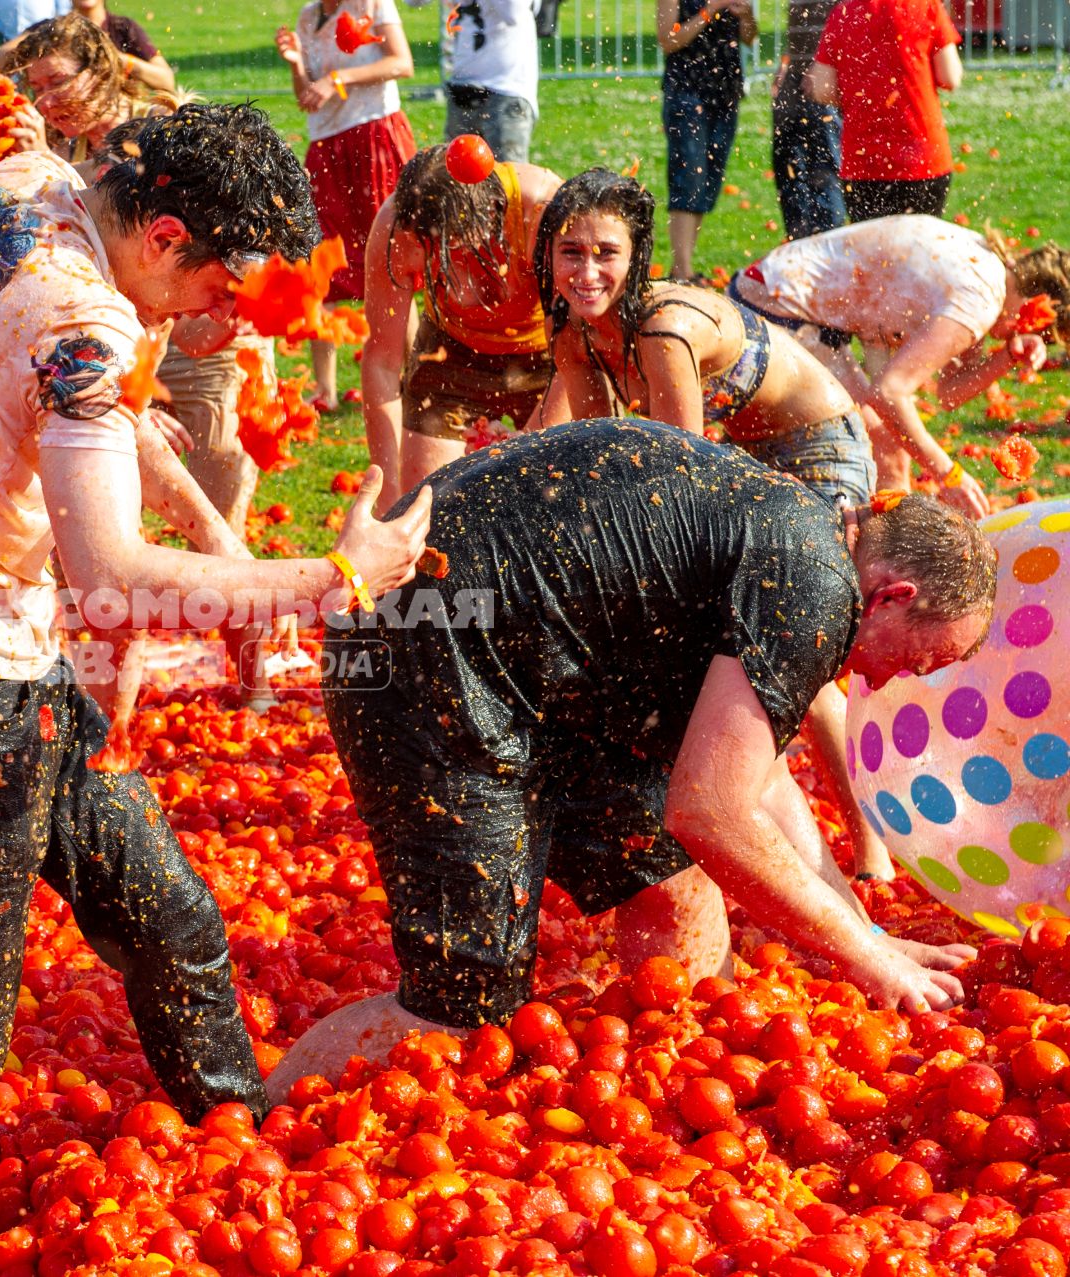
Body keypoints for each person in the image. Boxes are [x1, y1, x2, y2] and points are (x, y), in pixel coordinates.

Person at [0, 104, 433, 1277]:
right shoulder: (85, 322)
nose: (226, 317)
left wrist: (216, 528)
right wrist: (336, 578)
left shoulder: (30, 183)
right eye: (222, 286)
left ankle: (234, 1154)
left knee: (173, 920)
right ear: (165, 235)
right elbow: (112, 581)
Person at [268, 419, 995, 1100]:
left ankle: (662, 1099)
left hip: (533, 655)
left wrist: (860, 932)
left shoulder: (809, 535)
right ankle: (251, 1125)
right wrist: (867, 960)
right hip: (430, 647)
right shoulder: (817, 584)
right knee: (463, 1006)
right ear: (893, 597)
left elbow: (759, 778)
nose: (893, 679)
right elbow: (709, 812)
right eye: (926, 658)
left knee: (669, 886)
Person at [535, 167, 891, 879]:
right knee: (744, 642)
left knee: (793, 643)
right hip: (742, 463)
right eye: (571, 252)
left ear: (638, 257)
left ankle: (865, 841)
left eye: (607, 252)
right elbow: (607, 461)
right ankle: (752, 818)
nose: (587, 270)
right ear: (547, 255)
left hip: (818, 450)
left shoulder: (662, 328)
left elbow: (680, 486)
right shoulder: (576, 338)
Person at [730, 214, 1070, 507]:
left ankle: (890, 550)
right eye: (1044, 335)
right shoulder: (978, 302)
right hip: (772, 308)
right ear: (1036, 308)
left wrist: (1008, 356)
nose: (1019, 337)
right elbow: (889, 393)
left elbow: (949, 393)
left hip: (787, 302)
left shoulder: (988, 268)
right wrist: (948, 474)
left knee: (887, 442)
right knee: (869, 440)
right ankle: (886, 555)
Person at [360, 143, 560, 510]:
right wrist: (387, 492)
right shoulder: (397, 227)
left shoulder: (539, 209)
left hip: (549, 359)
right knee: (429, 508)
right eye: (431, 248)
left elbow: (574, 354)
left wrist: (524, 444)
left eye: (456, 247)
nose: (447, 263)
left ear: (488, 214)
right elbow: (382, 360)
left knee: (550, 503)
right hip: (451, 354)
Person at [277, 0, 414, 410]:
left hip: (375, 135)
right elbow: (307, 97)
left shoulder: (372, 4)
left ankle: (415, 381)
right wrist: (297, 65)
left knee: (392, 261)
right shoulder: (307, 16)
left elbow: (402, 62)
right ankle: (325, 392)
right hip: (327, 145)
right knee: (320, 259)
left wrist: (338, 77)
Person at [807, 0, 960, 222]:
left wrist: (858, 97)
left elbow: (821, 88)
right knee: (919, 251)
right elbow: (951, 77)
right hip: (922, 159)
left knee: (873, 253)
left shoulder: (843, 12)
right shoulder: (926, 6)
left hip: (864, 162)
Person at [656, 0, 753, 280]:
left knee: (707, 183)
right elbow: (668, 39)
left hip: (725, 94)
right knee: (689, 180)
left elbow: (749, 37)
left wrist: (746, 16)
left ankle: (681, 269)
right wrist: (709, 10)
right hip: (687, 93)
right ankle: (683, 272)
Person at [0, 12, 172, 163]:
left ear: (101, 71)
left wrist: (45, 163)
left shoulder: (161, 126)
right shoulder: (65, 148)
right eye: (37, 88)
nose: (46, 102)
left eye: (58, 82)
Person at [771, 0, 844, 239]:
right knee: (788, 168)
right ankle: (799, 249)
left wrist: (826, 64)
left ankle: (827, 253)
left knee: (824, 172)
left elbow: (853, 15)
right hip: (795, 78)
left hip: (824, 78)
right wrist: (788, 61)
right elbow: (804, 22)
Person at [0, 0, 174, 92]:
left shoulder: (123, 28)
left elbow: (166, 80)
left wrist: (116, 58)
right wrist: (44, 39)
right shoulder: (51, 28)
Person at [441, 0, 539, 162]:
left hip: (505, 90)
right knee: (457, 178)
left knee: (506, 178)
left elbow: (514, 13)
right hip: (463, 88)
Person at [0, 0, 67, 43]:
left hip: (43, 31)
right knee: (7, 68)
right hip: (6, 31)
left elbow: (63, 6)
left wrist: (58, 26)